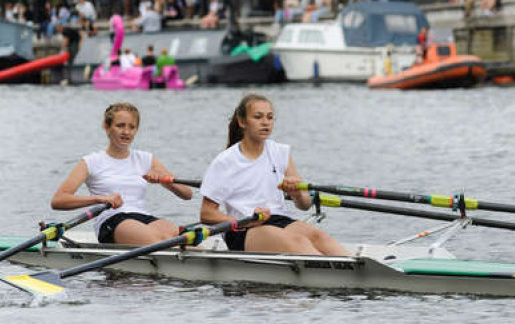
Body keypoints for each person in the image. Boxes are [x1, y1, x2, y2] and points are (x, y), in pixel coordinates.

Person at [198, 94, 350, 256]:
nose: (265, 122)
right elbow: (206, 213)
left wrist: (296, 192)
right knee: (299, 242)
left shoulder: (280, 152)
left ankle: (353, 271)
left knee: (320, 237)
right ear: (242, 122)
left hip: (279, 219)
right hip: (243, 229)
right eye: (258, 117)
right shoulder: (225, 161)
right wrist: (247, 221)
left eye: (270, 118)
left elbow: (305, 205)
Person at [51, 103, 193, 245]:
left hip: (144, 217)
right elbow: (58, 200)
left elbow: (187, 194)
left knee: (183, 240)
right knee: (162, 243)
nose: (126, 132)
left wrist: (165, 181)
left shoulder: (146, 159)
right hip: (112, 220)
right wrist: (99, 199)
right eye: (120, 126)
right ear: (106, 128)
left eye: (132, 127)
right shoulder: (91, 162)